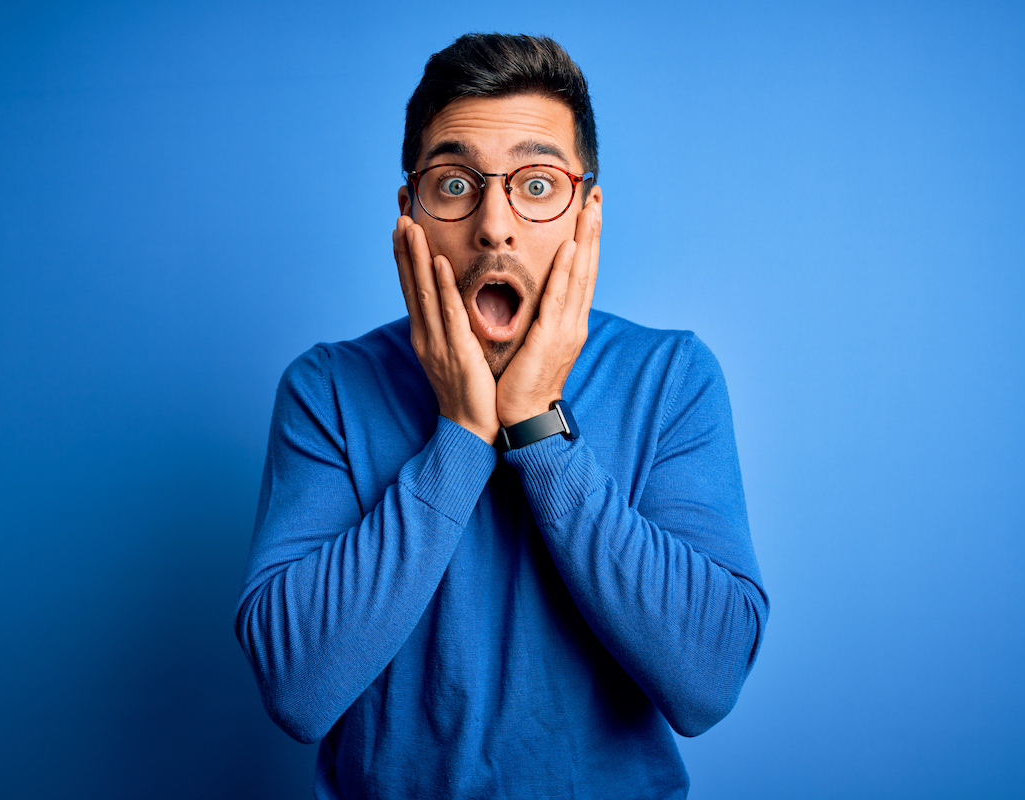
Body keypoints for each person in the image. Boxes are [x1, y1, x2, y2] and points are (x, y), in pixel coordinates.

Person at [235, 33, 768, 799]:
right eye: (454, 184)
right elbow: (296, 691)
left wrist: (537, 428)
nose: (494, 225)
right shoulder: (328, 389)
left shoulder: (671, 378)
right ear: (409, 216)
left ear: (587, 213)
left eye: (537, 184)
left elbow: (707, 683)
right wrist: (460, 432)